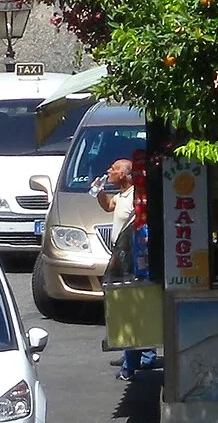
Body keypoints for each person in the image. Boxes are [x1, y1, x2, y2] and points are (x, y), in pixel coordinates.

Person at [95, 156, 156, 377]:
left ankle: (135, 358)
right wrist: (99, 192)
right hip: (121, 251)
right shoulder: (122, 196)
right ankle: (140, 353)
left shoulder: (135, 197)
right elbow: (108, 206)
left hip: (131, 254)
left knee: (129, 303)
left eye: (112, 169)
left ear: (123, 174)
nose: (108, 171)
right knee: (130, 302)